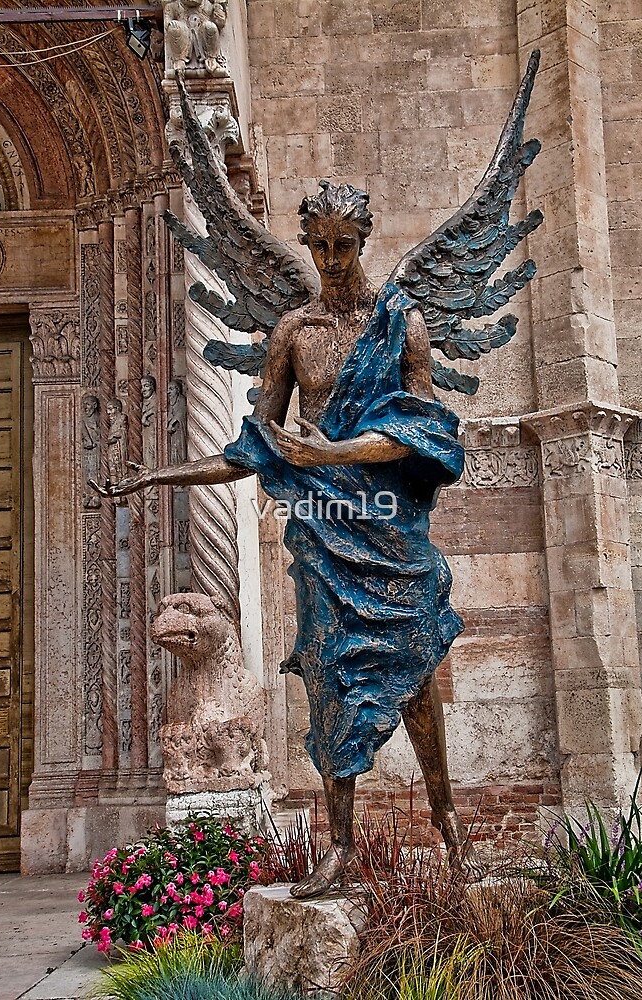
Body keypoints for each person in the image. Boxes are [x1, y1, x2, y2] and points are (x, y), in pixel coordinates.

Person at [92, 183, 469, 898]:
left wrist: (331, 456)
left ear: (364, 238)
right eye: (318, 245)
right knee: (329, 676)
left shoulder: (401, 326)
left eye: (343, 245)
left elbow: (427, 432)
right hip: (325, 538)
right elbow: (254, 447)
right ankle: (341, 847)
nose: (330, 259)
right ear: (306, 241)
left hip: (389, 530)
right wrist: (155, 477)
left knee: (415, 675)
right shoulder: (293, 333)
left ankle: (451, 831)